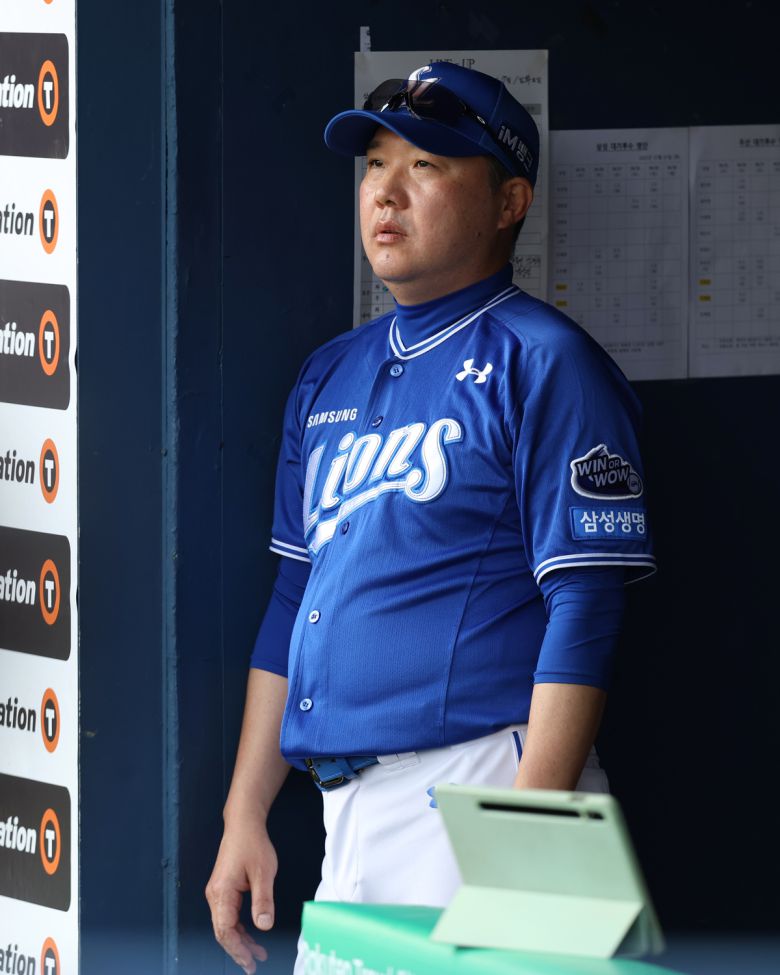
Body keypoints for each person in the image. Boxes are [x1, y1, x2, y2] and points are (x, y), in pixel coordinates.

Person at [205, 61, 655, 975]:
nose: (387, 191)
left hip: (498, 784)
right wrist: (244, 808)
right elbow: (295, 597)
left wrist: (530, 836)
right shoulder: (329, 373)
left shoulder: (549, 362)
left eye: (428, 165)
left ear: (509, 202)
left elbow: (587, 606)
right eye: (376, 164)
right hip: (350, 809)